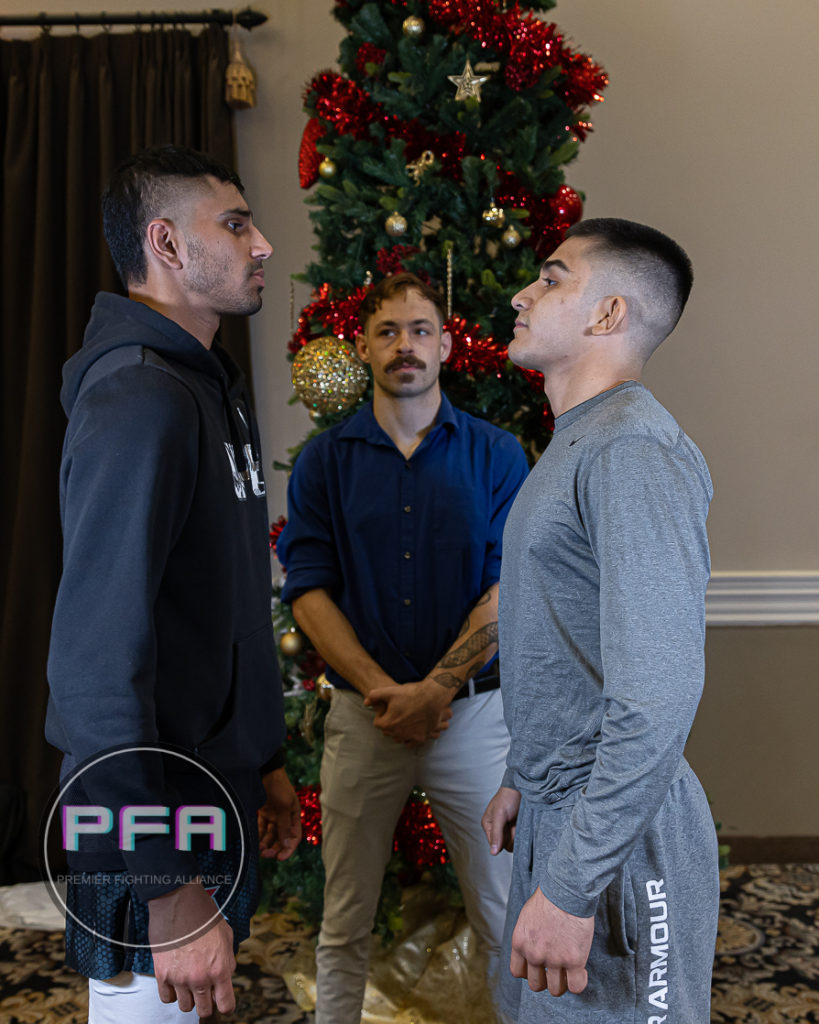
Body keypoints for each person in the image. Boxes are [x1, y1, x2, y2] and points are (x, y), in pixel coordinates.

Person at [45, 145, 301, 1023]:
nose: (262, 244)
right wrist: (166, 890)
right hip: (147, 827)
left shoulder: (205, 386)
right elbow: (92, 668)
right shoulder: (138, 396)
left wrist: (262, 758)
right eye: (234, 224)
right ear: (164, 242)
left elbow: (217, 605)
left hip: (207, 792)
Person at [482, 218, 719, 1024]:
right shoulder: (577, 444)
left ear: (607, 315)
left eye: (550, 277)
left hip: (618, 840)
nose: (522, 291)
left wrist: (575, 883)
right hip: (563, 811)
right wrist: (524, 769)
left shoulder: (630, 450)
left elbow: (656, 695)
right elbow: (562, 637)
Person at [276, 272, 529, 1022]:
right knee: (344, 920)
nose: (404, 346)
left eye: (420, 329)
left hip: (477, 722)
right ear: (363, 346)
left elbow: (506, 588)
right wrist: (387, 691)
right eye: (387, 331)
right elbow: (309, 588)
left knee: (502, 914)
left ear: (446, 344)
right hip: (363, 719)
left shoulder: (496, 454)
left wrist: (436, 690)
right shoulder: (324, 461)